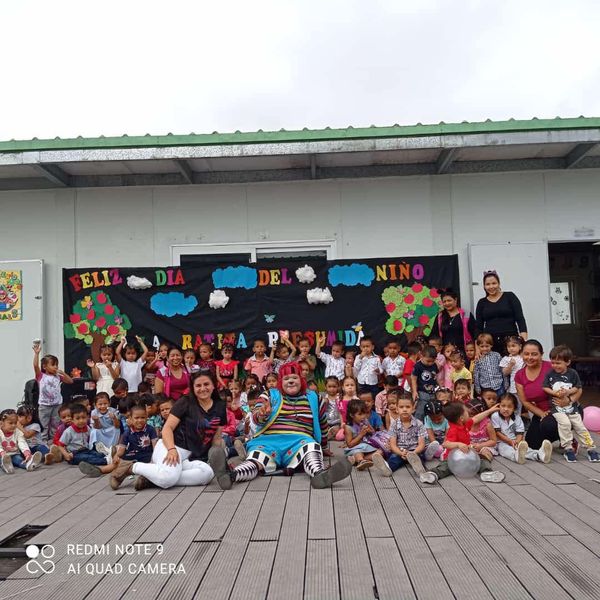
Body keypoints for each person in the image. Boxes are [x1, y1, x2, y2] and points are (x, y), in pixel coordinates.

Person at [209, 362, 352, 490]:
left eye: (294, 377)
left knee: (312, 448)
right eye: (286, 379)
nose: (291, 381)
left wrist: (324, 446)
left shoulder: (314, 397)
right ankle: (231, 475)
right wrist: (262, 415)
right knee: (256, 459)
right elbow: (255, 419)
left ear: (301, 380)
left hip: (300, 441)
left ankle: (320, 475)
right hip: (268, 441)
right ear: (280, 382)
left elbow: (322, 423)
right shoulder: (269, 395)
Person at [109, 371, 220, 490]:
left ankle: (152, 479)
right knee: (168, 479)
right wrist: (172, 450)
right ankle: (130, 467)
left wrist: (221, 456)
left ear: (213, 385)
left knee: (207, 473)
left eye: (206, 384)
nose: (203, 389)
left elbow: (215, 439)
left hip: (185, 457)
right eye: (198, 385)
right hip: (168, 446)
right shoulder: (184, 403)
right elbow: (167, 429)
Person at [542, 345, 599, 462]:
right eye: (553, 363)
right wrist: (554, 392)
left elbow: (577, 387)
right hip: (556, 408)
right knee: (565, 424)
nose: (555, 365)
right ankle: (568, 448)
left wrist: (568, 392)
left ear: (567, 362)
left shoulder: (573, 373)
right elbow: (545, 387)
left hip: (572, 408)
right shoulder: (550, 374)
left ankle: (590, 448)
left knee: (580, 427)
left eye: (558, 363)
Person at [515, 339, 574, 451]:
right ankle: (562, 437)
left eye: (534, 354)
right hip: (542, 412)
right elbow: (525, 401)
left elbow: (575, 386)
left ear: (541, 354)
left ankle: (568, 440)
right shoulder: (519, 375)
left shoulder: (552, 367)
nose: (530, 357)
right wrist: (541, 413)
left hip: (562, 409)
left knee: (548, 427)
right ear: (522, 354)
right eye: (526, 354)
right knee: (532, 444)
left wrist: (569, 400)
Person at [428, 402, 505, 484]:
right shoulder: (453, 430)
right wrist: (458, 444)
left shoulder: (464, 424)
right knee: (445, 467)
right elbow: (445, 444)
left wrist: (490, 411)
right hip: (454, 459)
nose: (469, 413)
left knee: (483, 461)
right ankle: (433, 474)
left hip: (467, 457)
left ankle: (486, 474)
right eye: (466, 412)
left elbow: (476, 418)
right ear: (461, 418)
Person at [475, 271, 528, 354]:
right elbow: (478, 327)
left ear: (499, 283)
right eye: (488, 284)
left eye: (494, 283)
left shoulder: (510, 296)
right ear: (484, 286)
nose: (491, 286)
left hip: (511, 342)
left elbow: (520, 319)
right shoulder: (481, 302)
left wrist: (523, 342)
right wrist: (477, 348)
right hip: (490, 344)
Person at [492, 393, 552, 463]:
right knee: (506, 449)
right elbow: (497, 432)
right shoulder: (495, 416)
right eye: (503, 406)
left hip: (515, 440)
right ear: (498, 405)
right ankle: (516, 456)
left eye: (509, 407)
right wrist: (509, 441)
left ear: (514, 408)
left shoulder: (517, 417)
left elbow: (520, 432)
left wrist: (517, 442)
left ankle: (539, 455)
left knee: (525, 449)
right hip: (501, 442)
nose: (506, 409)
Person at [33, 341, 73, 443]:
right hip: (44, 405)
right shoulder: (41, 376)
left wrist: (63, 373)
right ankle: (43, 442)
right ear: (44, 367)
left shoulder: (58, 377)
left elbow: (70, 381)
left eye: (56, 365)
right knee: (44, 425)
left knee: (55, 424)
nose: (56, 367)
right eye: (53, 365)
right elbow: (35, 366)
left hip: (57, 405)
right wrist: (37, 353)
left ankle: (53, 441)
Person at [109, 404, 158, 488]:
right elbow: (122, 448)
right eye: (136, 418)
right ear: (131, 418)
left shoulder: (150, 429)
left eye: (143, 418)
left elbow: (155, 445)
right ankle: (117, 477)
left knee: (151, 465)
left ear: (147, 417)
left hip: (147, 454)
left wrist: (155, 457)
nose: (140, 420)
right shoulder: (127, 432)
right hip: (133, 454)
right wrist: (117, 455)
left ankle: (144, 480)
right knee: (124, 462)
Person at [56, 404, 114, 474]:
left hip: (86, 450)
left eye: (83, 418)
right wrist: (66, 455)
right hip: (74, 454)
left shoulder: (87, 428)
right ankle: (107, 461)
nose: (81, 421)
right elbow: (60, 445)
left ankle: (110, 457)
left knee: (97, 454)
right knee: (87, 458)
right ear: (72, 419)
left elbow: (93, 435)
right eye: (77, 418)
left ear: (87, 417)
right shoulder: (68, 431)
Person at [386, 395, 432, 480]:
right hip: (400, 451)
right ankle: (387, 469)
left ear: (413, 409)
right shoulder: (394, 425)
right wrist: (401, 453)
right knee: (393, 459)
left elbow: (421, 444)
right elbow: (393, 445)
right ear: (397, 409)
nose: (404, 409)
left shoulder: (419, 424)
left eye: (408, 407)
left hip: (415, 451)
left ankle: (420, 471)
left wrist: (413, 453)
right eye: (401, 407)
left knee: (420, 459)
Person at [343, 399, 391, 474]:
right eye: (360, 414)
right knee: (358, 453)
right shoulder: (348, 427)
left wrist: (370, 431)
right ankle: (361, 461)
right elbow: (350, 444)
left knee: (380, 452)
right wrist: (361, 435)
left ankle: (356, 460)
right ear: (352, 415)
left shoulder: (365, 421)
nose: (363, 416)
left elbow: (373, 432)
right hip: (355, 448)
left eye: (364, 413)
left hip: (368, 446)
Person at [430, 289, 476, 354]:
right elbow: (434, 334)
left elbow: (475, 333)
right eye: (444, 301)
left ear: (455, 300)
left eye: (449, 300)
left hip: (463, 353)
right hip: (446, 354)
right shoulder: (440, 316)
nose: (447, 303)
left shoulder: (466, 314)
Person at [410, 345, 438, 421]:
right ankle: (417, 426)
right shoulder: (417, 366)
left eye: (433, 361)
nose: (430, 363)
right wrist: (414, 391)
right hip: (422, 393)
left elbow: (436, 377)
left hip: (433, 393)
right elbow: (413, 379)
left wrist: (440, 386)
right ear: (421, 356)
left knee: (431, 411)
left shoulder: (434, 365)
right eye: (428, 361)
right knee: (420, 412)